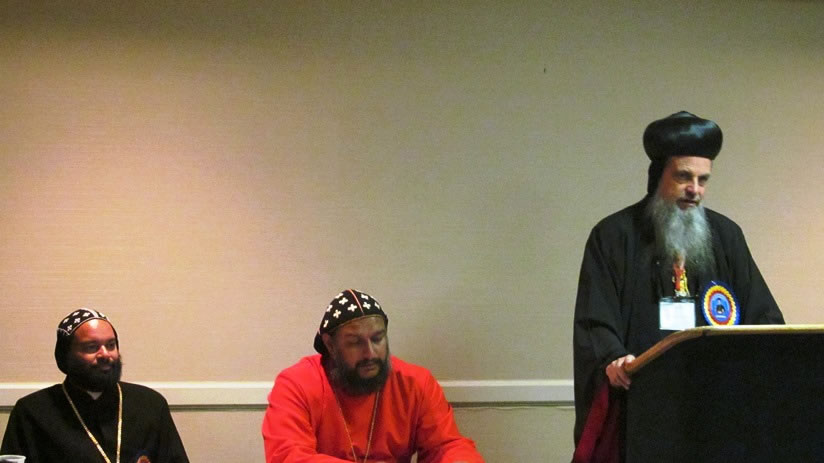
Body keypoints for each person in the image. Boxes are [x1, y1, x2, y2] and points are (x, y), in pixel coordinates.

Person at [572, 111, 785, 447]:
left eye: (703, 180)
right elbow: (595, 320)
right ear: (658, 175)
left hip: (717, 407)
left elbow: (764, 318)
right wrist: (614, 358)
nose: (694, 190)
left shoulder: (726, 236)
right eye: (683, 176)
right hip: (643, 407)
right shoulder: (613, 236)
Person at [262, 289, 484, 463]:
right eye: (355, 342)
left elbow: (446, 446)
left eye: (378, 339)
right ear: (330, 344)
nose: (370, 353)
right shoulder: (296, 384)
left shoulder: (416, 382)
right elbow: (287, 456)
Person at [1, 308, 189, 463]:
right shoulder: (32, 412)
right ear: (66, 355)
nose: (105, 354)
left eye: (111, 345)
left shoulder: (151, 405)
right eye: (92, 347)